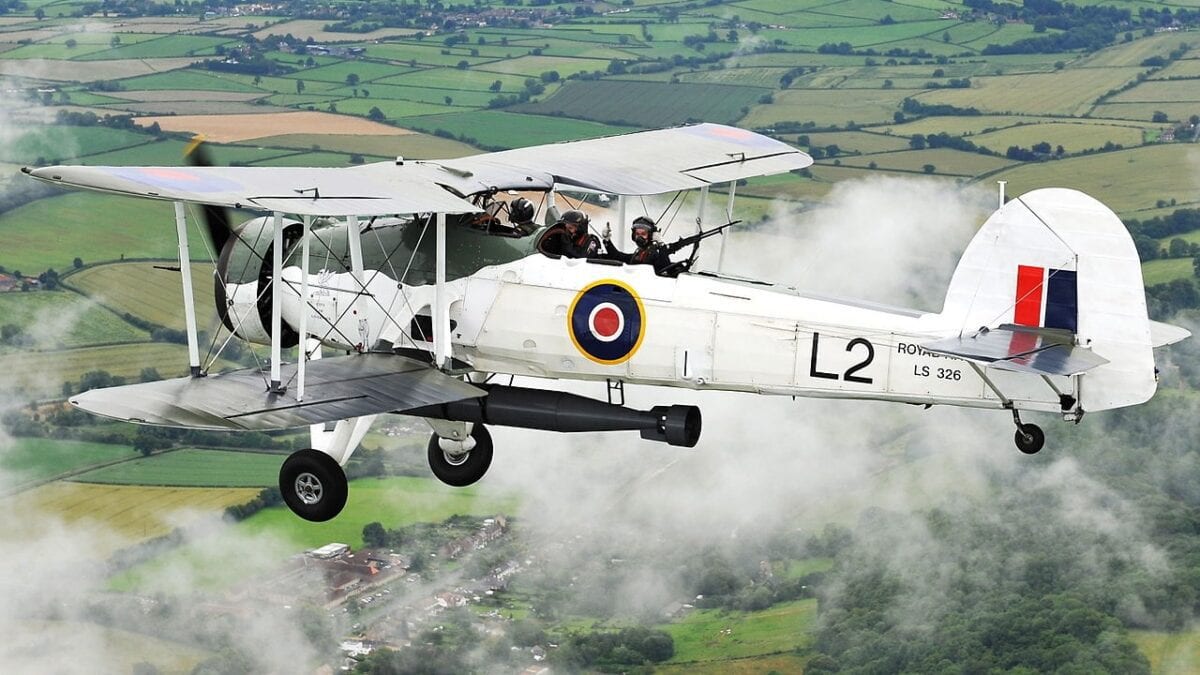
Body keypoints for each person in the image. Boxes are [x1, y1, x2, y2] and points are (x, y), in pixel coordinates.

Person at [604, 215, 672, 274]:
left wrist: (661, 244)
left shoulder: (654, 253)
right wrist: (607, 240)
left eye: (643, 234)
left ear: (651, 235)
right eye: (637, 234)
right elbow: (618, 256)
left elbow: (666, 268)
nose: (639, 237)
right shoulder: (639, 252)